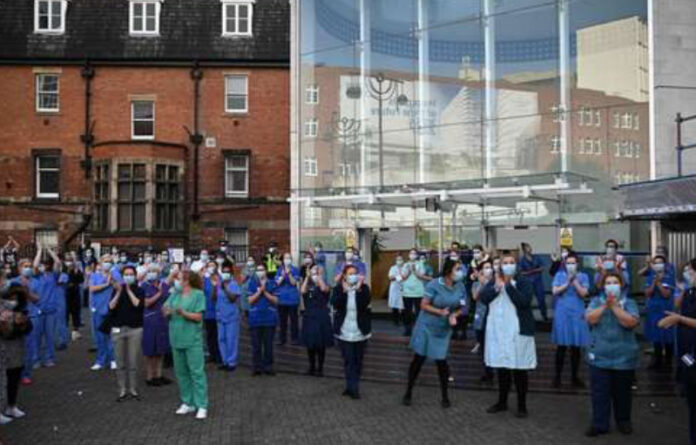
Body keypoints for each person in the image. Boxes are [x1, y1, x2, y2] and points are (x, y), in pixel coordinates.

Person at [480, 252, 536, 418]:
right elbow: (484, 298)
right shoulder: (494, 279)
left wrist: (509, 285)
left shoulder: (524, 281)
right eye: (505, 262)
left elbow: (523, 302)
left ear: (516, 265)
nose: (508, 265)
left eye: (512, 262)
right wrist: (497, 287)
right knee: (502, 368)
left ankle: (521, 405)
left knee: (519, 370)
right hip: (499, 331)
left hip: (517, 331)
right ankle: (502, 402)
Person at [402, 258, 464, 408]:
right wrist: (440, 312)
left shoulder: (461, 286)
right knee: (419, 358)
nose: (460, 272)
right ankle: (408, 392)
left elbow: (462, 306)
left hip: (443, 329)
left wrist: (455, 315)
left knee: (441, 361)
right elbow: (423, 305)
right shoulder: (434, 284)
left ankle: (445, 396)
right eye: (458, 269)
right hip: (427, 326)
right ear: (449, 270)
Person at [585, 272, 639, 437]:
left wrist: (615, 306)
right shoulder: (596, 301)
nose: (611, 285)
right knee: (600, 393)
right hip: (600, 357)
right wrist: (605, 306)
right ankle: (600, 423)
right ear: (603, 286)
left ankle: (623, 421)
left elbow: (630, 322)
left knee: (622, 393)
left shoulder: (629, 302)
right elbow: (590, 319)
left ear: (621, 285)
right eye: (608, 282)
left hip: (624, 357)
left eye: (615, 282)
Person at [658, 257, 696, 445]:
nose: (688, 274)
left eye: (691, 271)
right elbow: (675, 307)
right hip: (687, 351)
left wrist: (679, 319)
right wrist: (683, 290)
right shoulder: (690, 292)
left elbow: (680, 316)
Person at [163, 269, 208, 420]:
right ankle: (187, 402)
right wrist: (167, 312)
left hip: (192, 340)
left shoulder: (198, 295)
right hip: (176, 339)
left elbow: (198, 316)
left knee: (196, 372)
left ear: (187, 280)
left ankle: (201, 404)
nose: (177, 280)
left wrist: (184, 313)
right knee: (181, 373)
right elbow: (164, 310)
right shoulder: (175, 294)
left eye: (179, 278)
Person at [550, 251, 590, 388]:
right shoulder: (560, 275)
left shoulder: (583, 276)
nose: (571, 265)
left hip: (577, 310)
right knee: (561, 346)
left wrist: (575, 281)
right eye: (568, 263)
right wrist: (567, 282)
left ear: (577, 264)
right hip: (562, 310)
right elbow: (555, 291)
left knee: (575, 347)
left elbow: (584, 293)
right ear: (564, 264)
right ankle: (557, 376)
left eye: (573, 263)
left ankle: (574, 376)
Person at [331, 264, 371, 399]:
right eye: (350, 273)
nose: (352, 276)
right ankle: (352, 388)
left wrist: (358, 288)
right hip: (344, 331)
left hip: (360, 331)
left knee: (358, 361)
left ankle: (351, 386)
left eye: (355, 273)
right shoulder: (338, 289)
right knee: (348, 360)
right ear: (344, 275)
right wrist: (344, 291)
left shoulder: (364, 289)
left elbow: (364, 303)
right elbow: (335, 303)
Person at [109, 266, 144, 402]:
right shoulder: (116, 290)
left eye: (131, 274)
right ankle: (122, 389)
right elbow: (111, 306)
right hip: (118, 329)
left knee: (133, 361)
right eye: (126, 274)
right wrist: (118, 292)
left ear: (135, 276)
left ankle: (133, 389)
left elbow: (137, 305)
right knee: (120, 362)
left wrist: (128, 290)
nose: (128, 276)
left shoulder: (139, 290)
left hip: (135, 329)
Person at [0, 281, 32, 422]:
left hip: (16, 349)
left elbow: (29, 327)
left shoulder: (20, 307)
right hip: (4, 348)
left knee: (14, 377)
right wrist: (8, 324)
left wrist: (23, 323)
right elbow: (5, 333)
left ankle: (11, 405)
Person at [300, 265, 334, 376]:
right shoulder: (309, 286)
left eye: (317, 272)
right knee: (310, 344)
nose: (314, 274)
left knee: (320, 345)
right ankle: (311, 367)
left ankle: (320, 368)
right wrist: (307, 277)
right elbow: (302, 291)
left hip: (321, 317)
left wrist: (319, 276)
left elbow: (324, 289)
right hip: (309, 316)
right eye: (313, 272)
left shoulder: (326, 285)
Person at [643, 254, 676, 370]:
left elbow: (666, 294)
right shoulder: (650, 276)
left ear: (665, 264)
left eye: (660, 262)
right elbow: (648, 293)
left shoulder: (669, 276)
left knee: (668, 336)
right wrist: (654, 282)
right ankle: (657, 361)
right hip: (653, 310)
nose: (658, 265)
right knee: (655, 336)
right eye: (656, 263)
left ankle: (668, 363)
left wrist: (659, 284)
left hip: (666, 310)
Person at [141, 264, 172, 386]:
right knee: (150, 350)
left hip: (162, 320)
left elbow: (169, 299)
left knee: (161, 348)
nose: (152, 273)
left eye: (154, 271)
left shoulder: (163, 285)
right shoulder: (144, 286)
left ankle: (159, 375)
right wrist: (159, 293)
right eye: (149, 271)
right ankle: (150, 376)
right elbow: (146, 303)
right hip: (149, 321)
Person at [32, 245, 62, 367]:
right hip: (38, 310)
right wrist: (39, 250)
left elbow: (58, 262)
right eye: (40, 265)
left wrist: (50, 250)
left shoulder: (52, 276)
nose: (41, 267)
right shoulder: (35, 277)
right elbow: (34, 266)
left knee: (49, 336)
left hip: (50, 310)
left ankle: (49, 358)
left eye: (43, 265)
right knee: (36, 336)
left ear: (47, 266)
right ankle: (36, 359)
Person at [247, 264, 279, 376]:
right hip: (255, 319)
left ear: (266, 271)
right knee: (256, 345)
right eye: (258, 270)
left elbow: (275, 300)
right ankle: (257, 367)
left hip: (269, 318)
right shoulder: (252, 283)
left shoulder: (272, 283)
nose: (260, 272)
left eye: (262, 270)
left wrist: (265, 291)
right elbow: (250, 300)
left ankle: (268, 367)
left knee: (268, 345)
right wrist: (260, 291)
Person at [88, 255, 117, 371]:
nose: (107, 264)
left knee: (112, 336)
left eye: (109, 262)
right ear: (100, 263)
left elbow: (120, 288)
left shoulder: (114, 275)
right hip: (98, 309)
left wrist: (113, 281)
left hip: (110, 310)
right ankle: (100, 360)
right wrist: (106, 284)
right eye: (105, 261)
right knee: (100, 336)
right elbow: (92, 289)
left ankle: (113, 359)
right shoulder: (94, 276)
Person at [213, 263, 241, 371]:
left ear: (231, 274)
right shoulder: (219, 284)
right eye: (223, 272)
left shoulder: (234, 284)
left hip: (231, 317)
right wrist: (215, 288)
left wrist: (225, 289)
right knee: (221, 339)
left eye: (227, 272)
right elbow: (214, 298)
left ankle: (231, 362)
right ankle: (224, 361)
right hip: (220, 315)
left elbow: (233, 298)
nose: (225, 274)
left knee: (231, 339)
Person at [15, 259, 39, 385]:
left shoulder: (35, 282)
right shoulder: (13, 282)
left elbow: (36, 299)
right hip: (16, 319)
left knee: (29, 348)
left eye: (30, 266)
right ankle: (15, 373)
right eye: (25, 266)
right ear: (19, 268)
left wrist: (27, 291)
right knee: (15, 348)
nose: (28, 268)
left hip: (31, 317)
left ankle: (26, 374)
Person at [472, 259, 494, 382]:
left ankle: (494, 368)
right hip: (480, 317)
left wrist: (486, 283)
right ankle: (487, 371)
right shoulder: (476, 284)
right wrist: (481, 283)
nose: (488, 269)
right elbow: (475, 297)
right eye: (485, 267)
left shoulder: (495, 282)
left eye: (490, 267)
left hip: (492, 317)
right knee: (483, 345)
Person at [274, 253, 301, 346]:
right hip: (282, 299)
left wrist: (289, 273)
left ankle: (295, 338)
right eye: (286, 258)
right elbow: (277, 283)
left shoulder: (295, 270)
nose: (287, 260)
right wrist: (282, 275)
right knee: (282, 321)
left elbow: (294, 283)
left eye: (289, 258)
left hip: (293, 299)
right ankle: (282, 339)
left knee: (294, 320)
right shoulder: (279, 270)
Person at [401, 248, 427, 337]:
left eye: (414, 253)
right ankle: (408, 329)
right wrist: (409, 270)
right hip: (407, 292)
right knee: (407, 312)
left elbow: (421, 276)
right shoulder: (405, 264)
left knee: (418, 311)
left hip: (418, 292)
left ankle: (418, 329)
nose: (412, 255)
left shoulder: (420, 264)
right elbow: (403, 277)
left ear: (417, 255)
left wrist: (414, 270)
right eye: (411, 253)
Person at [519, 242, 547, 322]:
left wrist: (531, 271)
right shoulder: (522, 260)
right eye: (528, 247)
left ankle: (544, 315)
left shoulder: (536, 257)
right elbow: (521, 272)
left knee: (541, 298)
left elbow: (543, 267)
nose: (530, 248)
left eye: (530, 247)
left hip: (538, 281)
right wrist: (532, 271)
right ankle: (527, 317)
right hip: (528, 282)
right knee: (527, 300)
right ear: (524, 249)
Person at [202, 259, 221, 364]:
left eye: (213, 265)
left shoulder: (220, 279)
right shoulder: (205, 280)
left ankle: (218, 355)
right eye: (209, 265)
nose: (211, 267)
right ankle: (211, 354)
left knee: (218, 335)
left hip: (218, 311)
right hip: (208, 311)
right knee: (209, 335)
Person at [64, 256, 84, 341]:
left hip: (75, 295)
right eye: (67, 261)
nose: (68, 262)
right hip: (65, 295)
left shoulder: (76, 270)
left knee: (76, 314)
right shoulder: (63, 270)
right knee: (65, 314)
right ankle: (64, 333)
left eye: (70, 261)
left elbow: (81, 280)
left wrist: (77, 272)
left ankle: (75, 331)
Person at [387, 254, 405, 326]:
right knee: (395, 305)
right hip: (395, 288)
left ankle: (405, 321)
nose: (399, 261)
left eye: (401, 259)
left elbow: (406, 276)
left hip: (404, 288)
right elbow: (391, 278)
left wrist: (396, 277)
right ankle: (396, 321)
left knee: (404, 305)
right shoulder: (393, 268)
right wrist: (400, 277)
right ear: (395, 261)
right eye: (398, 260)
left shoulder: (405, 267)